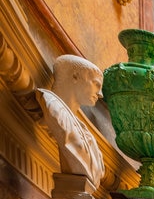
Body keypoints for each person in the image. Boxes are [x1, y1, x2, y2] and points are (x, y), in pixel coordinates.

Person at [35, 54, 106, 189]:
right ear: (75, 77)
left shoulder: (84, 131)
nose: (100, 94)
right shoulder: (53, 108)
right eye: (96, 84)